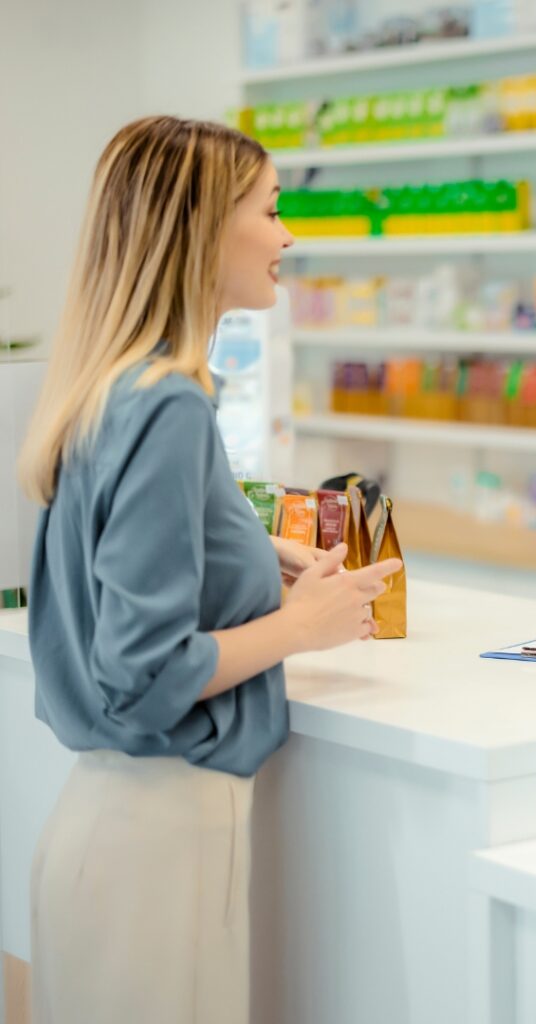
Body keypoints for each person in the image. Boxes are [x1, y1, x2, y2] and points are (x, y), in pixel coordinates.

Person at [17, 116, 403, 1024]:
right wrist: (301, 625)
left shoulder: (114, 385)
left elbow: (111, 543)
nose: (287, 237)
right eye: (270, 212)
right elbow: (143, 673)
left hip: (113, 836)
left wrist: (248, 545)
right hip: (155, 847)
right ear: (201, 227)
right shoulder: (172, 408)